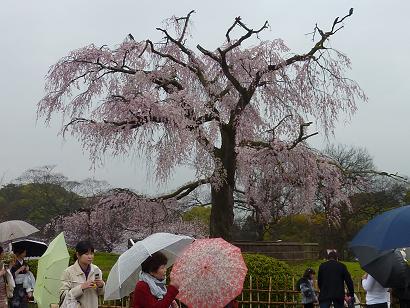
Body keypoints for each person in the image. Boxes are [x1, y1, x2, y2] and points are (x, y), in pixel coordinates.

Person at [60, 240, 105, 308]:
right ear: (78, 255)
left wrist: (101, 286)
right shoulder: (68, 272)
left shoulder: (96, 270)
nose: (90, 257)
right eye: (86, 254)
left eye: (92, 253)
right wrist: (81, 287)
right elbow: (63, 295)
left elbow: (100, 293)